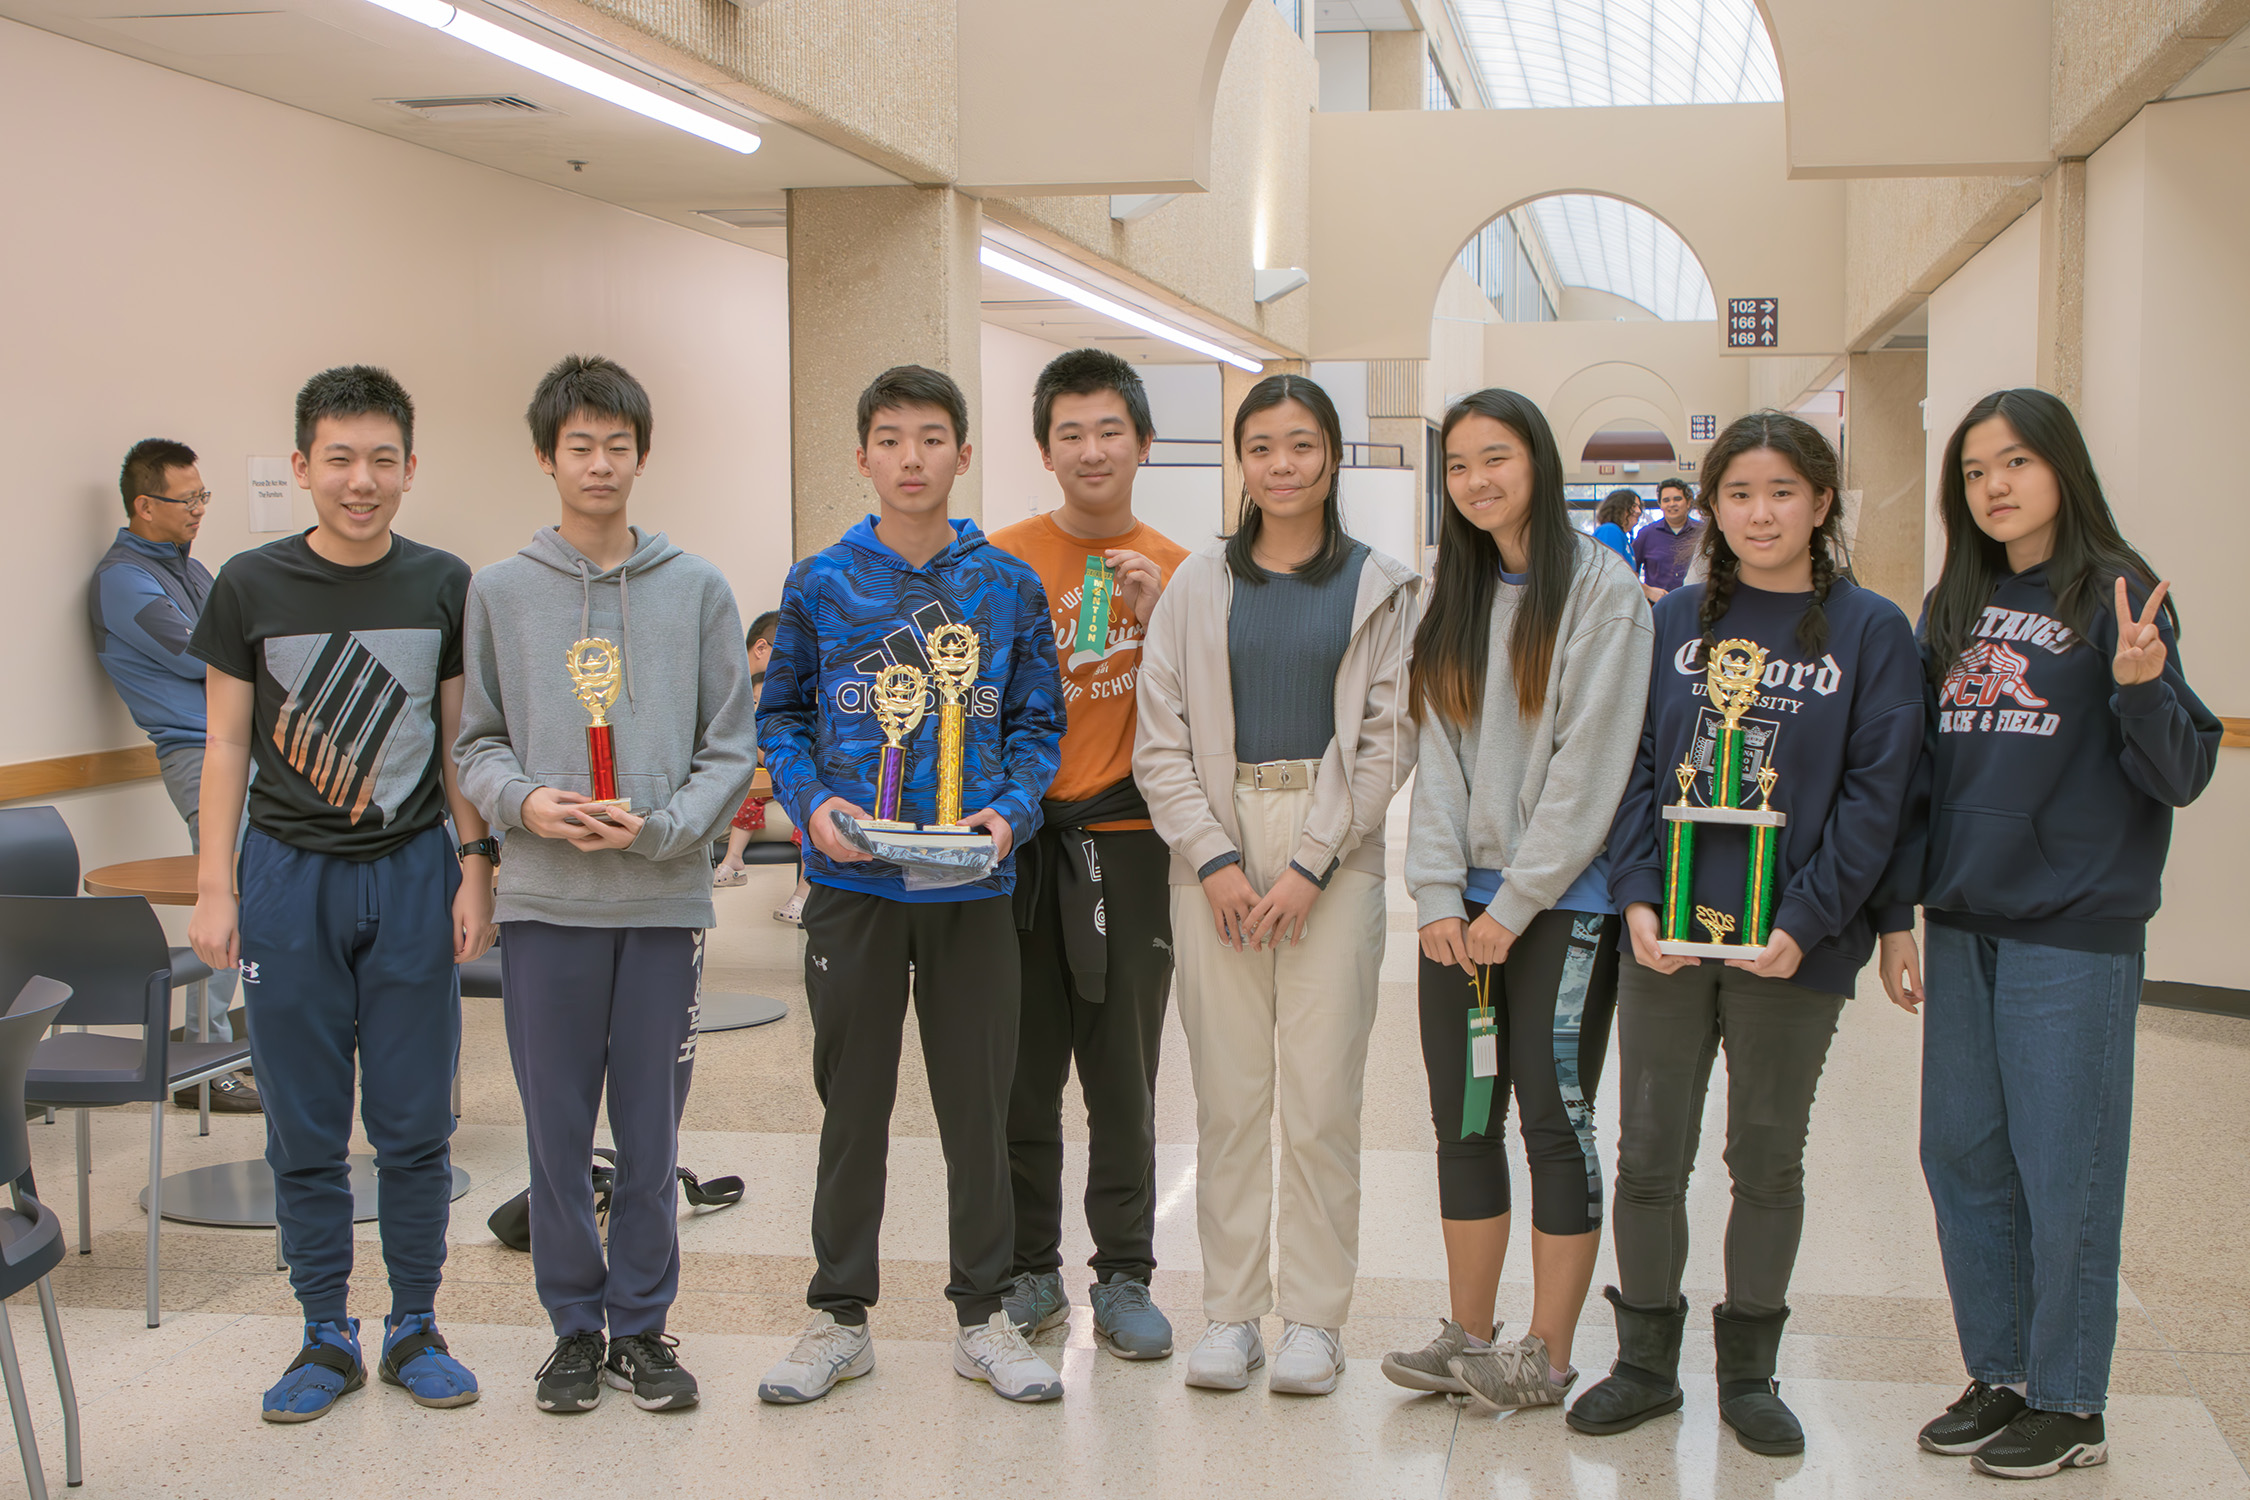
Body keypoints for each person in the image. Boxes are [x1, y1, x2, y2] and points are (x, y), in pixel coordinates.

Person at [1568, 411, 1923, 1457]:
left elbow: (1879, 796)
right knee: (1648, 1156)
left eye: (1781, 492)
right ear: (1711, 506)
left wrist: (1809, 921)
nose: (1759, 512)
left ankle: (1751, 1373)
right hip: (1667, 942)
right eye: (1738, 493)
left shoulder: (1871, 632)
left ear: (1821, 503)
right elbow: (1632, 767)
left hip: (1794, 948)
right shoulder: (1675, 621)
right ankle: (1642, 1364)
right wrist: (1637, 896)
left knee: (1766, 1159)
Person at [1904, 388, 2219, 1481]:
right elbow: (1928, 777)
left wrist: (2140, 688)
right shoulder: (1956, 603)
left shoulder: (2119, 590)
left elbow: (2179, 771)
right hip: (1965, 920)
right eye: (1977, 469)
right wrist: (1906, 905)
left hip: (2075, 930)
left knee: (2065, 1168)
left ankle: (2072, 1400)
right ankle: (2001, 1374)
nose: (1995, 485)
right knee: (1962, 1156)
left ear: (2062, 470)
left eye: (2018, 463)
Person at [754, 365, 1068, 1406]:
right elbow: (781, 718)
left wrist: (1009, 814)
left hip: (971, 885)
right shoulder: (818, 582)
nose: (911, 459)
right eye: (890, 439)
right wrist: (812, 808)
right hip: (855, 884)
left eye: (932, 439)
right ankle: (840, 1314)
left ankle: (984, 1314)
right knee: (853, 1102)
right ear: (862, 458)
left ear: (962, 455)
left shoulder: (1007, 586)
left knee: (977, 1105)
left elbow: (1037, 725)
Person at [186, 365, 494, 1423]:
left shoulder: (445, 582)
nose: (360, 481)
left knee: (414, 1122)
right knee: (305, 1127)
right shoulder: (248, 585)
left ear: (410, 468)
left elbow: (459, 740)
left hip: (412, 872)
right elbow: (226, 742)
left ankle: (415, 1323)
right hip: (286, 875)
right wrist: (214, 888)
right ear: (302, 466)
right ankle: (325, 1330)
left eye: (381, 460)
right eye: (339, 459)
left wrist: (476, 863)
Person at [455, 354, 758, 1415]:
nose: (599, 463)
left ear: (642, 454)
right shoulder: (498, 591)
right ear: (547, 457)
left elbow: (731, 744)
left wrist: (668, 826)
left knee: (651, 1131)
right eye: (578, 446)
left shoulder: (698, 589)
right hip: (545, 905)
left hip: (663, 901)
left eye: (617, 446)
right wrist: (526, 806)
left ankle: (645, 1325)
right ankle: (573, 1330)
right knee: (553, 1131)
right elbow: (476, 743)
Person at [1134, 372, 1419, 1397]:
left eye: (1301, 445)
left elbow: (1389, 741)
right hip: (1211, 846)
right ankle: (1230, 1313)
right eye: (1261, 447)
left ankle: (1313, 1320)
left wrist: (1310, 865)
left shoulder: (1382, 585)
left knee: (1319, 1098)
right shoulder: (1197, 585)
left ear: (1332, 457)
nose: (1282, 464)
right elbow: (1157, 737)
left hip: (1331, 845)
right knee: (1229, 1094)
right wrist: (1212, 859)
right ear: (1240, 462)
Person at [1386, 390, 1651, 1412]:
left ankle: (1544, 1352)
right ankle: (1469, 1335)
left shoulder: (1602, 590)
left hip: (1565, 906)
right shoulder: (1451, 594)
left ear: (1537, 462)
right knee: (1463, 1120)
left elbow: (1592, 767)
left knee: (1553, 1121)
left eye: (1496, 457)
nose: (1477, 480)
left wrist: (1518, 903)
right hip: (1466, 911)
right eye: (1458, 465)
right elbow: (1442, 761)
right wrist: (1441, 896)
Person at [987, 348, 1188, 1361]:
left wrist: (1163, 624)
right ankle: (1030, 1267)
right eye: (1071, 432)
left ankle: (1125, 1274)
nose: (1092, 448)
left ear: (1144, 443)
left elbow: (1206, 728)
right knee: (1022, 1075)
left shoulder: (1187, 572)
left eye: (1111, 429)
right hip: (1022, 849)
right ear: (1044, 450)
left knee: (1124, 1077)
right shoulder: (1000, 560)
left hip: (1131, 847)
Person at [89, 438, 255, 1109]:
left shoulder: (191, 569)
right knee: (223, 890)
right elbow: (207, 654)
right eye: (187, 500)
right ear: (143, 504)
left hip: (245, 747)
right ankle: (202, 1063)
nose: (198, 511)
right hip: (196, 752)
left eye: (202, 497)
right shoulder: (123, 580)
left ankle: (245, 1044)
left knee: (262, 885)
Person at [712, 609, 809, 922]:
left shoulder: (759, 690)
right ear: (762, 648)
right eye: (789, 653)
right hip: (726, 796)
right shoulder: (728, 688)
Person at [1629, 477, 1700, 601]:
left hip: (1697, 607)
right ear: (1660, 505)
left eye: (1677, 499)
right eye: (1666, 500)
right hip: (1657, 610)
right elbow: (1628, 571)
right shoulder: (1646, 534)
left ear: (1688, 502)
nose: (1671, 504)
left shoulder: (1702, 533)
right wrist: (1647, 591)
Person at [1590, 488, 1640, 567]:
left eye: (1639, 507)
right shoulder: (1610, 531)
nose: (1639, 511)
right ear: (1620, 508)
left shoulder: (1623, 538)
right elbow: (1609, 570)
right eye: (1634, 506)